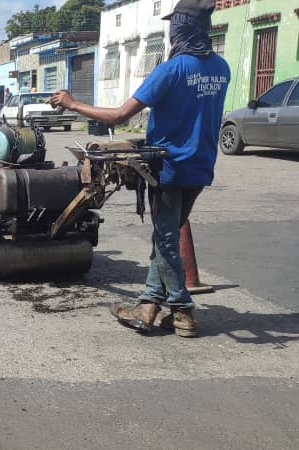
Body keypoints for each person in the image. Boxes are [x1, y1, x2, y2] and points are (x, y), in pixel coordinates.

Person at [50, 0, 229, 338]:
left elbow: (120, 116)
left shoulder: (171, 70)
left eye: (173, 23)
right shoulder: (222, 68)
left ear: (181, 27)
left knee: (164, 238)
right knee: (165, 237)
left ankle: (182, 309)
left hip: (167, 166)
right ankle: (148, 303)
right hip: (201, 166)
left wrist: (72, 104)